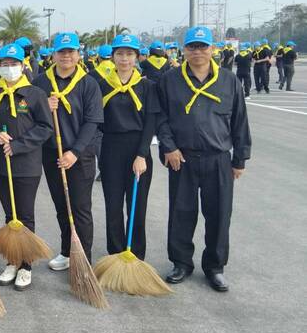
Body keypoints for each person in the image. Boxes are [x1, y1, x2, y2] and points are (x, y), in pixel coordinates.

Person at [157, 26, 251, 292]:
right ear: (184, 50)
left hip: (218, 158)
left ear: (212, 49)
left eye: (202, 46)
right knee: (181, 213)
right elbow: (160, 117)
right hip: (182, 158)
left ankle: (215, 267)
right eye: (192, 47)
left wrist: (240, 158)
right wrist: (169, 147)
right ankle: (181, 263)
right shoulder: (170, 80)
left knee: (219, 214)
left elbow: (239, 120)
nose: (197, 51)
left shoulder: (228, 80)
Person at [0, 43, 53, 290]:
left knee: (24, 215)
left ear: (23, 66)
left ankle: (26, 265)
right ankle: (12, 260)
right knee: (9, 215)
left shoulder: (35, 94)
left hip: (27, 164)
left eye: (14, 64)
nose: (9, 68)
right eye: (5, 64)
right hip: (0, 164)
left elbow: (45, 127)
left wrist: (19, 145)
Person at [33, 33, 103, 269]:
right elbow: (24, 112)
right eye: (61, 52)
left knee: (80, 209)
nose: (66, 56)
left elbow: (92, 121)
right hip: (51, 153)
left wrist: (75, 152)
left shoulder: (89, 83)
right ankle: (66, 251)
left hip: (79, 155)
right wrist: (43, 107)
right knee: (62, 207)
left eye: (71, 51)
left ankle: (83, 259)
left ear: (78, 54)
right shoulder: (40, 82)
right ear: (54, 55)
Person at [94, 34, 159, 259]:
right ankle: (115, 254)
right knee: (113, 207)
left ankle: (135, 256)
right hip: (111, 149)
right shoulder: (102, 85)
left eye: (130, 54)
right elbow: (95, 121)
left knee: (137, 208)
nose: (124, 59)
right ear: (112, 57)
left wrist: (142, 154)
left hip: (138, 150)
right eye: (120, 54)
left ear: (137, 57)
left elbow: (151, 122)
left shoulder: (147, 86)